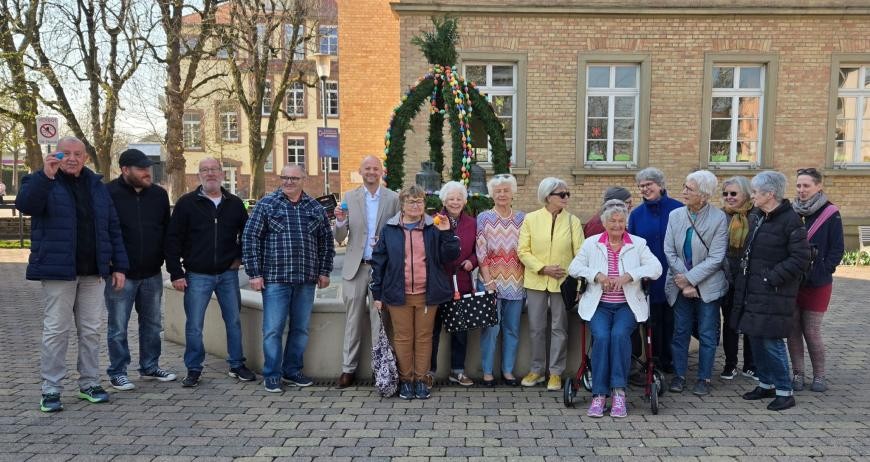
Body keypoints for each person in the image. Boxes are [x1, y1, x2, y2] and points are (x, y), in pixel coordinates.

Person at [16, 136, 128, 412]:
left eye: (77, 154)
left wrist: (120, 266)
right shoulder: (40, 180)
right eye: (65, 153)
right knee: (56, 331)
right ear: (56, 155)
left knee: (91, 330)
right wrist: (45, 176)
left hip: (93, 272)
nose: (71, 158)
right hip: (58, 271)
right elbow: (26, 205)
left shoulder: (97, 187)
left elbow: (112, 227)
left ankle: (89, 383)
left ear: (85, 157)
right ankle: (51, 388)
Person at [242, 164, 335, 393]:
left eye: (294, 178)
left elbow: (326, 243)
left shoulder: (314, 207)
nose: (289, 182)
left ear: (304, 179)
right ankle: (272, 374)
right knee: (273, 329)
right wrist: (254, 273)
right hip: (275, 279)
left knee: (300, 329)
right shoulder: (267, 205)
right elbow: (250, 238)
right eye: (285, 177)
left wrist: (324, 271)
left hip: (306, 280)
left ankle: (292, 371)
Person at [165, 157, 256, 388]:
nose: (210, 174)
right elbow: (173, 239)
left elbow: (247, 235)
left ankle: (236, 364)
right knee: (194, 324)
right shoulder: (186, 203)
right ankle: (194, 368)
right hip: (197, 274)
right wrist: (176, 272)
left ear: (222, 174)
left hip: (227, 274)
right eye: (205, 170)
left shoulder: (235, 203)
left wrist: (239, 257)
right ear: (199, 176)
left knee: (233, 321)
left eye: (214, 169)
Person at [569, 199, 662, 417]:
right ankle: (599, 395)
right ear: (604, 223)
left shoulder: (637, 244)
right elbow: (574, 267)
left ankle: (619, 392)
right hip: (599, 305)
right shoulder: (592, 243)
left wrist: (631, 275)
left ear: (626, 223)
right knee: (601, 337)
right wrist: (596, 275)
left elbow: (655, 268)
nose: (617, 225)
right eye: (613, 221)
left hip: (626, 305)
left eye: (621, 221)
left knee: (619, 335)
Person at [370, 184, 459, 400]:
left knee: (424, 338)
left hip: (427, 293)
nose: (416, 205)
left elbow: (451, 256)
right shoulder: (390, 229)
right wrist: (378, 295)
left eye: (419, 201)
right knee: (402, 337)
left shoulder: (434, 228)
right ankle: (406, 380)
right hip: (397, 294)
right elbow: (379, 262)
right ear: (402, 204)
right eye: (411, 201)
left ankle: (421, 379)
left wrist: (447, 233)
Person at [733, 170, 810, 411]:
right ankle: (765, 384)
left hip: (774, 292)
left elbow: (801, 258)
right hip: (753, 289)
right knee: (754, 337)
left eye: (756, 192)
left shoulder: (790, 221)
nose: (752, 196)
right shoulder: (757, 216)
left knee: (771, 341)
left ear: (770, 194)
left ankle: (784, 391)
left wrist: (771, 277)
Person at [105, 149, 175, 391]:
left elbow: (166, 231)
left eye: (149, 168)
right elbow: (104, 233)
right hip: (120, 274)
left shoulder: (158, 195)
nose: (148, 172)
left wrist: (170, 264)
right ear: (125, 170)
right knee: (118, 326)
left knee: (153, 324)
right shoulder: (108, 193)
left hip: (152, 272)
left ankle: (150, 366)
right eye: (141, 168)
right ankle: (118, 371)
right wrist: (113, 266)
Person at [333, 155, 399, 388]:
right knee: (352, 320)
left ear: (381, 172)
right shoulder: (350, 197)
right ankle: (348, 369)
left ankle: (379, 369)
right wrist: (339, 222)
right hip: (355, 268)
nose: (371, 172)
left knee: (380, 321)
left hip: (382, 269)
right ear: (360, 171)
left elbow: (400, 230)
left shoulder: (393, 198)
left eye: (375, 168)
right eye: (367, 168)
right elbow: (340, 237)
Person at [664, 170, 728, 396]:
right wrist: (684, 282)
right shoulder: (676, 215)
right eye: (684, 186)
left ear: (704, 194)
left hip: (707, 286)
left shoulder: (719, 218)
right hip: (680, 285)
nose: (683, 192)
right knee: (680, 331)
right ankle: (679, 376)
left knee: (707, 333)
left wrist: (691, 279)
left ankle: (704, 378)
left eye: (689, 189)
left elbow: (716, 257)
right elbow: (669, 251)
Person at [517, 177, 583, 391]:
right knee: (536, 328)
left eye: (567, 194)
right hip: (536, 281)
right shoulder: (531, 219)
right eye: (561, 194)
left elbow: (581, 254)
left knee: (559, 328)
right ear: (548, 196)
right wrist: (543, 268)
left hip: (562, 283)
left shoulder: (573, 221)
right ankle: (536, 370)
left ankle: (555, 373)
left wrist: (577, 284)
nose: (566, 198)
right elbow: (523, 251)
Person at [789, 167, 844, 393]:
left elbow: (837, 249)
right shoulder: (791, 211)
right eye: (799, 185)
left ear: (818, 186)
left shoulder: (830, 213)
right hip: (792, 281)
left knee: (811, 331)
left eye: (806, 186)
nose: (801, 190)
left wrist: (823, 269)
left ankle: (819, 376)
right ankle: (797, 374)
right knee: (792, 329)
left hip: (818, 283)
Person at [627, 167, 682, 373]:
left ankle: (671, 360)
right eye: (641, 186)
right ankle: (654, 360)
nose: (644, 189)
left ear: (660, 185)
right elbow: (631, 247)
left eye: (648, 184)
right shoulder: (636, 215)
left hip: (675, 274)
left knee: (673, 321)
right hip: (648, 278)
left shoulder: (678, 209)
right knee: (652, 321)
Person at [476, 174, 526, 386]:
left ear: (513, 192)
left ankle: (507, 370)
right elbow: (480, 251)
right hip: (490, 280)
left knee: (512, 329)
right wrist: (488, 281)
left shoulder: (523, 218)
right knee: (491, 329)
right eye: (498, 191)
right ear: (492, 194)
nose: (502, 194)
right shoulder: (484, 218)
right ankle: (487, 372)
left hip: (517, 281)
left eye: (506, 190)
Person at [430, 181, 478, 386]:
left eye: (459, 198)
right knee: (432, 331)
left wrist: (472, 262)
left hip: (462, 282)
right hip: (440, 282)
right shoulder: (434, 221)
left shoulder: (472, 223)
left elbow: (479, 250)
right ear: (444, 200)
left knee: (460, 332)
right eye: (451, 198)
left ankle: (457, 370)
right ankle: (429, 371)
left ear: (464, 201)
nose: (455, 202)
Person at [719, 176, 756, 380]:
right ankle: (730, 363)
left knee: (749, 320)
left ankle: (750, 364)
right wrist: (727, 273)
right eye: (725, 194)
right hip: (728, 276)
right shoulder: (721, 216)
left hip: (750, 277)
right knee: (731, 322)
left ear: (745, 194)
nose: (729, 198)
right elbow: (718, 249)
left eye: (734, 193)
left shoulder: (756, 216)